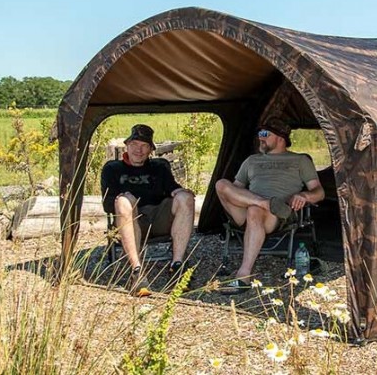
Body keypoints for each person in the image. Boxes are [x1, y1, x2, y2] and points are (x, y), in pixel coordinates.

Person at [215, 117, 324, 293]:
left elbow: (319, 192)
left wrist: (304, 195)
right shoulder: (251, 160)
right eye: (259, 133)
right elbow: (235, 189)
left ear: (280, 138)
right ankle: (265, 203)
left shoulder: (300, 160)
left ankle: (243, 276)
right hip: (247, 209)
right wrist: (249, 200)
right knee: (221, 184)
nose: (260, 137)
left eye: (265, 133)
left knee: (254, 210)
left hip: (277, 214)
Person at [101, 124, 196, 297]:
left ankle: (177, 266)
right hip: (130, 220)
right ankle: (136, 271)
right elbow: (107, 205)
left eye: (144, 146)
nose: (139, 150)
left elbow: (172, 188)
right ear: (127, 146)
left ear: (151, 150)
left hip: (159, 218)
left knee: (185, 198)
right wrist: (124, 198)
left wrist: (181, 192)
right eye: (135, 144)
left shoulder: (159, 168)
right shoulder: (112, 169)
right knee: (123, 201)